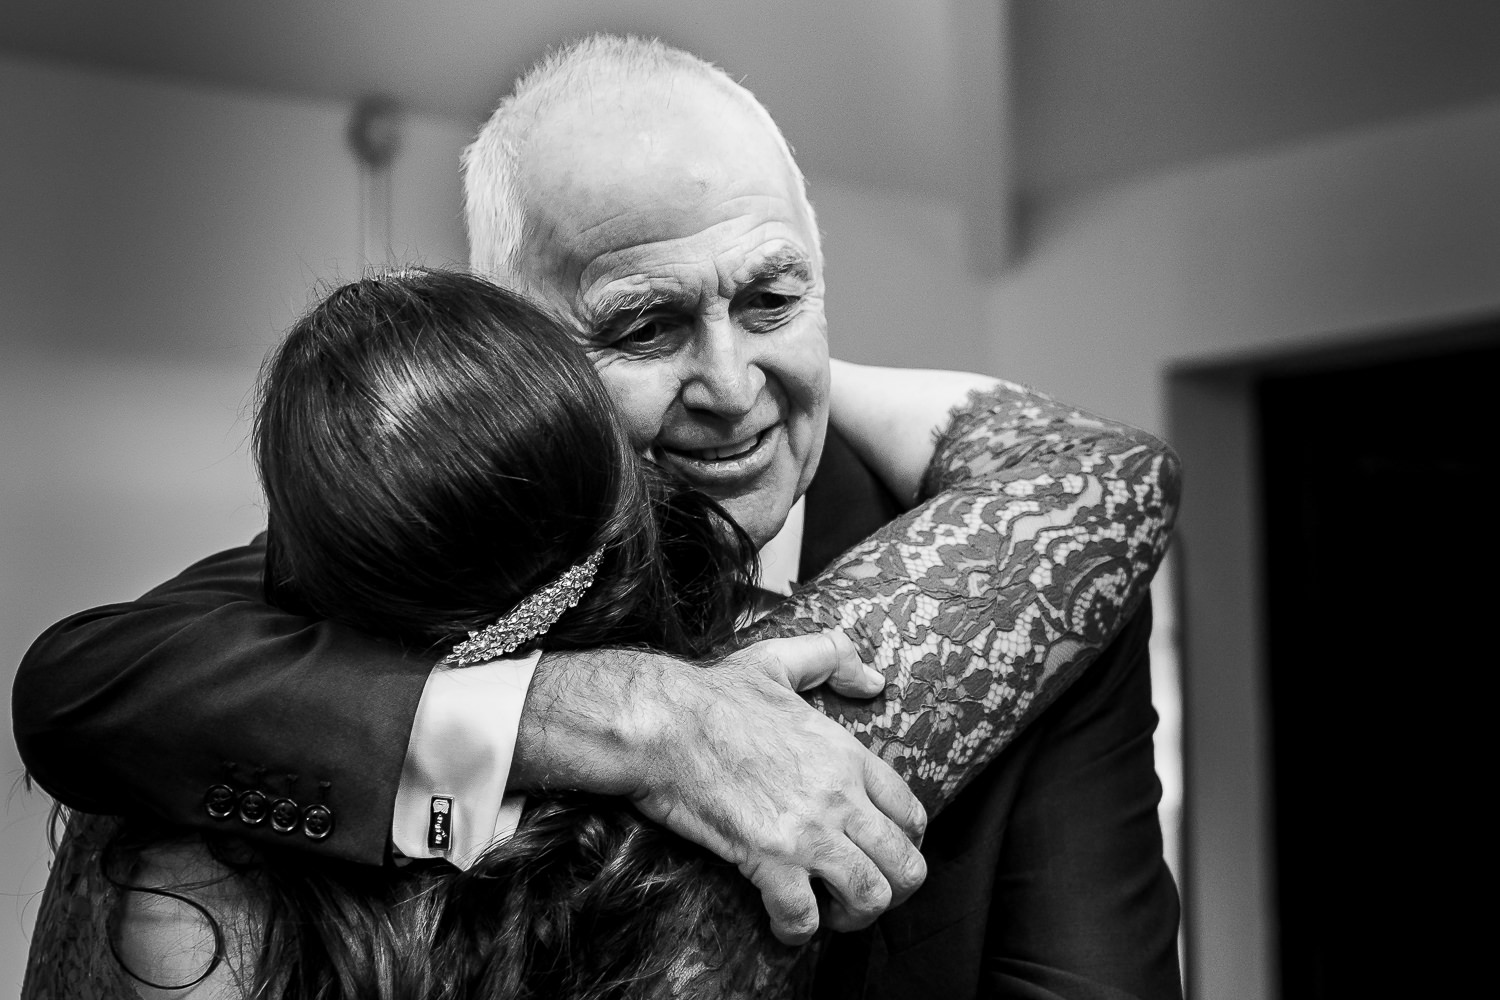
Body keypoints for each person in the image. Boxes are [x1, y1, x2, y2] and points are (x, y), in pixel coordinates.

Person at [14, 36, 1183, 997]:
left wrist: (826, 381)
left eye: (772, 301)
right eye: (643, 326)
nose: (731, 387)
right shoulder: (412, 551)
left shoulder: (1026, 571)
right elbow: (88, 684)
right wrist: (615, 715)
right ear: (518, 343)